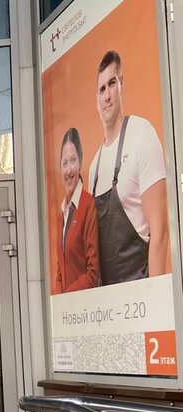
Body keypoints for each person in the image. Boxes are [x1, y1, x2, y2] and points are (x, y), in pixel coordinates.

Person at [88, 50, 169, 285]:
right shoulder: (93, 168)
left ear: (121, 84)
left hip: (140, 290)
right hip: (109, 299)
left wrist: (154, 297)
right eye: (101, 89)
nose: (107, 95)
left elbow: (160, 232)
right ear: (96, 100)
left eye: (112, 84)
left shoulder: (142, 134)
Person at [54, 128, 100, 293]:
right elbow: (60, 272)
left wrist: (67, 298)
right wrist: (57, 300)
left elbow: (93, 273)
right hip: (66, 306)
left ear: (80, 163)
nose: (68, 170)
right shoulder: (61, 215)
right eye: (64, 163)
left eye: (73, 160)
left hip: (85, 304)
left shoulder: (88, 205)